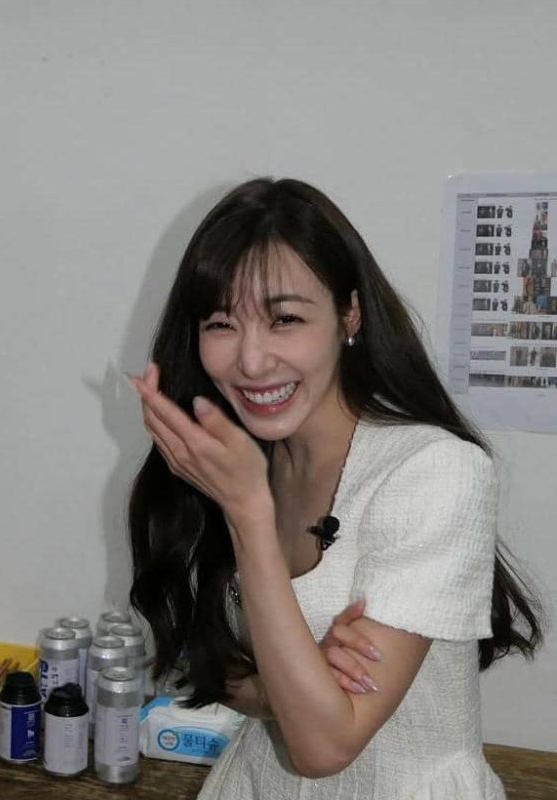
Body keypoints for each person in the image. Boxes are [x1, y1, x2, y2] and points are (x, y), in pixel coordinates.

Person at [128, 178, 541, 799]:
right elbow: (212, 665)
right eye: (222, 323)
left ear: (349, 315)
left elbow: (323, 747)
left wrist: (248, 513)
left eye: (285, 319)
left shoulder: (434, 471)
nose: (251, 361)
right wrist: (288, 687)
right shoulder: (236, 460)